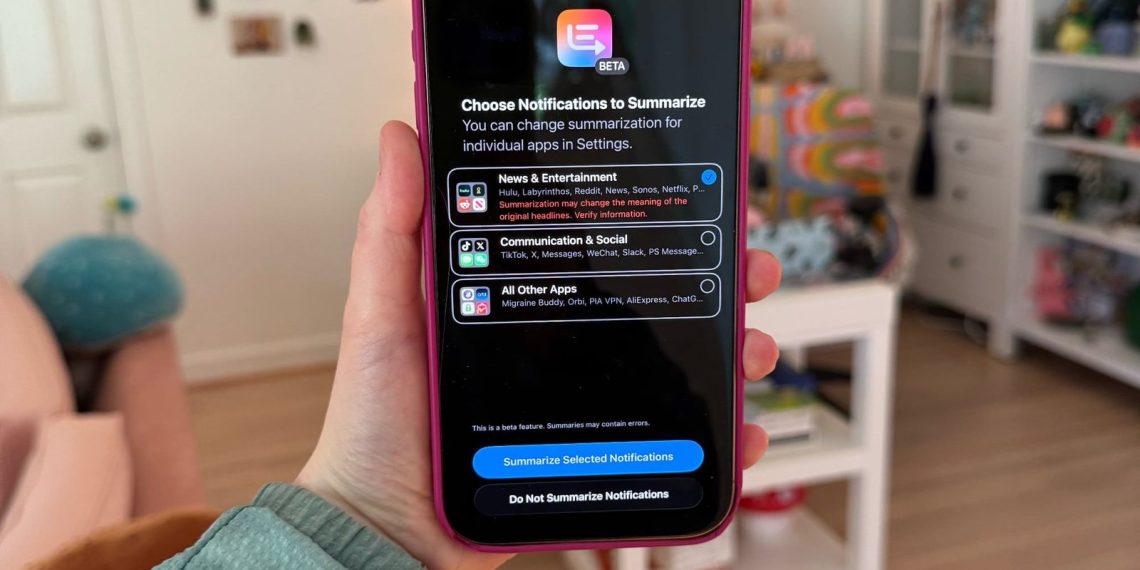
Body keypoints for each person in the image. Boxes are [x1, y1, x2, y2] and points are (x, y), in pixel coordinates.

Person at [159, 122, 782, 570]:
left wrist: (362, 517)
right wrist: (367, 513)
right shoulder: (473, 347)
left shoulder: (615, 324)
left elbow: (683, 407)